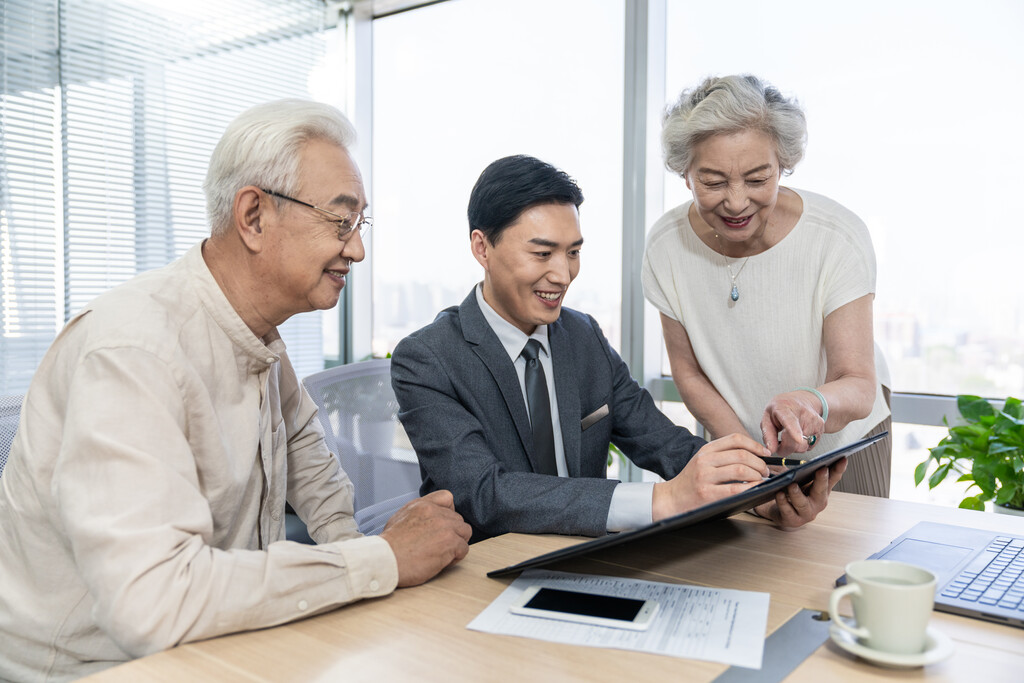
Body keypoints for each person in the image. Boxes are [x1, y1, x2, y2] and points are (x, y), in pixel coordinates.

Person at [0, 99, 471, 682]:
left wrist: (384, 567)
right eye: (340, 220)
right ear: (253, 216)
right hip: (99, 669)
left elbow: (315, 473)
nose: (357, 249)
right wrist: (379, 561)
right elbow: (152, 604)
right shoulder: (134, 350)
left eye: (360, 224)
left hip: (210, 646)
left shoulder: (259, 339)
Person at [391, 154, 846, 543]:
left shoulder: (582, 336)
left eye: (573, 252)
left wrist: (753, 494)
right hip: (483, 575)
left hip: (588, 559)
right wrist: (663, 499)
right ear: (482, 247)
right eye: (542, 253)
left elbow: (661, 442)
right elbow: (483, 495)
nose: (563, 275)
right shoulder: (428, 359)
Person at [642, 74, 892, 497]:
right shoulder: (667, 245)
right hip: (737, 443)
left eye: (758, 179)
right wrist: (749, 454)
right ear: (686, 173)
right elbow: (689, 372)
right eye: (714, 181)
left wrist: (809, 403)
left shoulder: (835, 237)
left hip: (843, 444)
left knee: (851, 560)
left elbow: (858, 382)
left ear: (783, 165)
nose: (737, 202)